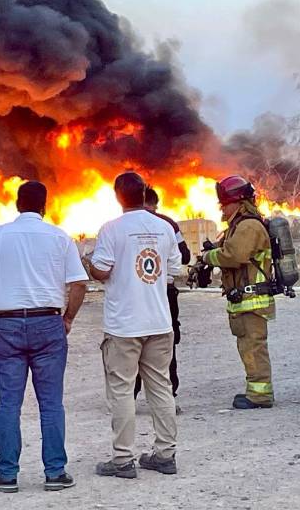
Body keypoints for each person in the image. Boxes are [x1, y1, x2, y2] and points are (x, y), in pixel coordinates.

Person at [0, 181, 88, 493]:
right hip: (49, 324)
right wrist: (68, 318)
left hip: (8, 326)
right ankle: (56, 473)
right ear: (45, 206)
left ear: (17, 204)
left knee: (8, 402)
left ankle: (7, 474)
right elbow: (79, 285)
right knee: (51, 403)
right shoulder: (61, 238)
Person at [87, 172, 182, 479]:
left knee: (122, 391)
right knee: (160, 387)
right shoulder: (164, 227)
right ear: (144, 194)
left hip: (124, 326)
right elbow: (172, 270)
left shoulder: (111, 230)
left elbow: (101, 271)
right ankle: (165, 455)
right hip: (159, 321)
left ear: (118, 196)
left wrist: (89, 262)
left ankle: (122, 460)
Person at [201, 175, 276, 409]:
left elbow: (234, 256)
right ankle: (255, 391)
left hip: (252, 299)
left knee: (254, 346)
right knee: (247, 346)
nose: (222, 208)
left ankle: (260, 395)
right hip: (244, 299)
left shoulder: (248, 225)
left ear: (239, 202)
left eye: (225, 203)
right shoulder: (239, 225)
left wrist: (207, 257)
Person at [134, 186, 191, 411]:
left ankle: (130, 394)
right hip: (163, 292)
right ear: (155, 203)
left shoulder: (122, 225)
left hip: (134, 292)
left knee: (131, 339)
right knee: (165, 341)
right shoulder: (168, 224)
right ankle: (169, 396)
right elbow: (184, 256)